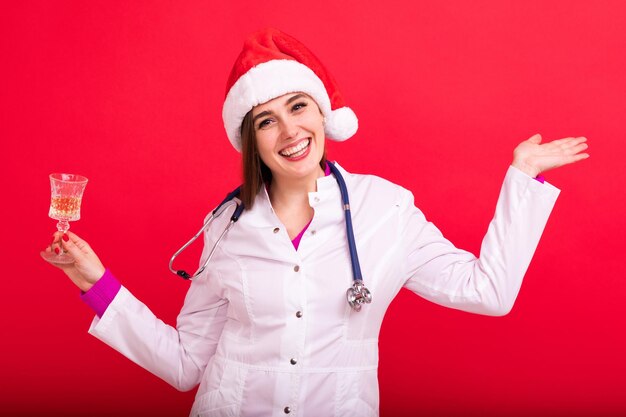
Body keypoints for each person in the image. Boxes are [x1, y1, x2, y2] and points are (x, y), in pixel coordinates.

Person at [44, 28, 589, 417]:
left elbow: (487, 291)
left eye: (299, 107)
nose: (289, 131)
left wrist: (524, 180)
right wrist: (95, 281)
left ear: (323, 113)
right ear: (250, 140)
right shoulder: (225, 227)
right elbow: (186, 365)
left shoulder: (386, 210)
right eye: (267, 120)